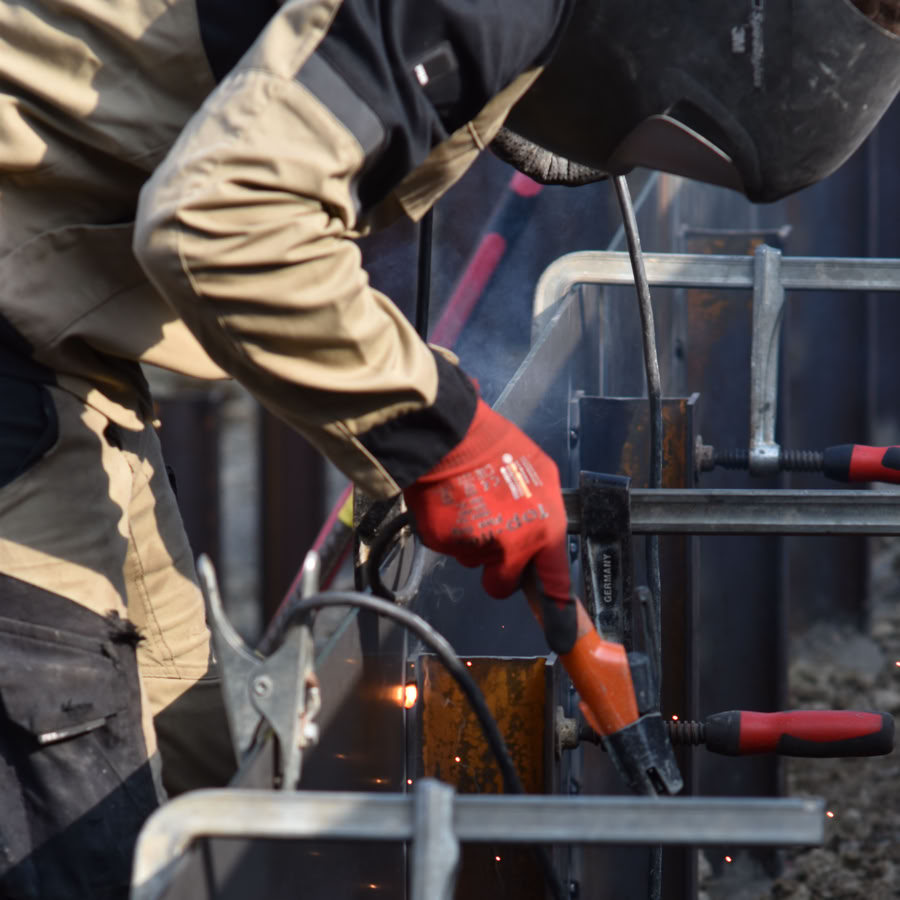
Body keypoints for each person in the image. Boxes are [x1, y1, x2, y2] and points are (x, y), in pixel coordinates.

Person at [1, 0, 898, 896]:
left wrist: (425, 404)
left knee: (194, 773)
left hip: (56, 317)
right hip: (24, 325)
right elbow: (223, 222)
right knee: (77, 810)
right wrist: (444, 433)